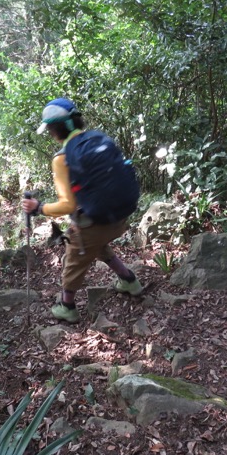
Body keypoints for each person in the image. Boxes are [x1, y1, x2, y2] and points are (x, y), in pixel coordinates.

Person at [21, 97, 143, 323]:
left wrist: (38, 208)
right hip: (119, 217)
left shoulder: (62, 158)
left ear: (55, 129)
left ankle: (67, 306)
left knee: (74, 257)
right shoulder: (98, 138)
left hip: (95, 222)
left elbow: (67, 205)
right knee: (97, 245)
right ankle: (129, 281)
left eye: (49, 129)